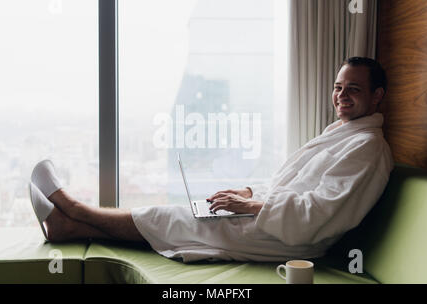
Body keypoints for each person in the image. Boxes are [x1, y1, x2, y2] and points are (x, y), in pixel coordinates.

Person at [29, 57, 394, 262]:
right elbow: (288, 185)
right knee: (189, 213)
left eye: (354, 89)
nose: (341, 96)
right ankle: (69, 227)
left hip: (291, 241)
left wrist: (250, 206)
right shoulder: (343, 135)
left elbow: (316, 215)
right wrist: (248, 192)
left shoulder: (367, 149)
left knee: (170, 216)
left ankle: (74, 209)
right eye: (338, 87)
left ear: (377, 96)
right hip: (271, 222)